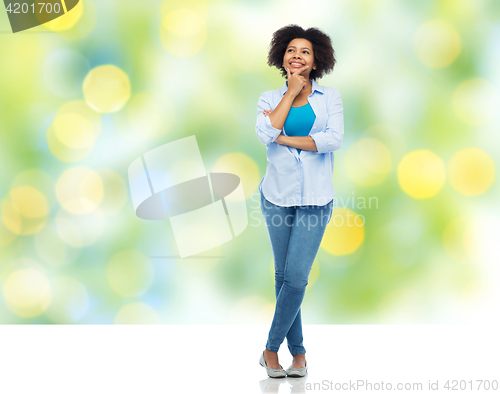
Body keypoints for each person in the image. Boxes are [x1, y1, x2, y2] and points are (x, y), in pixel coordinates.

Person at [255, 24, 344, 378]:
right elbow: (265, 132)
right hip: (276, 196)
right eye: (292, 50)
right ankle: (300, 354)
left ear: (316, 59)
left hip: (316, 199)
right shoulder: (268, 98)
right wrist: (290, 94)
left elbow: (333, 139)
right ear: (282, 56)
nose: (297, 55)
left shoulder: (331, 97)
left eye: (305, 51)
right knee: (283, 277)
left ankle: (269, 349)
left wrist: (285, 139)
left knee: (296, 278)